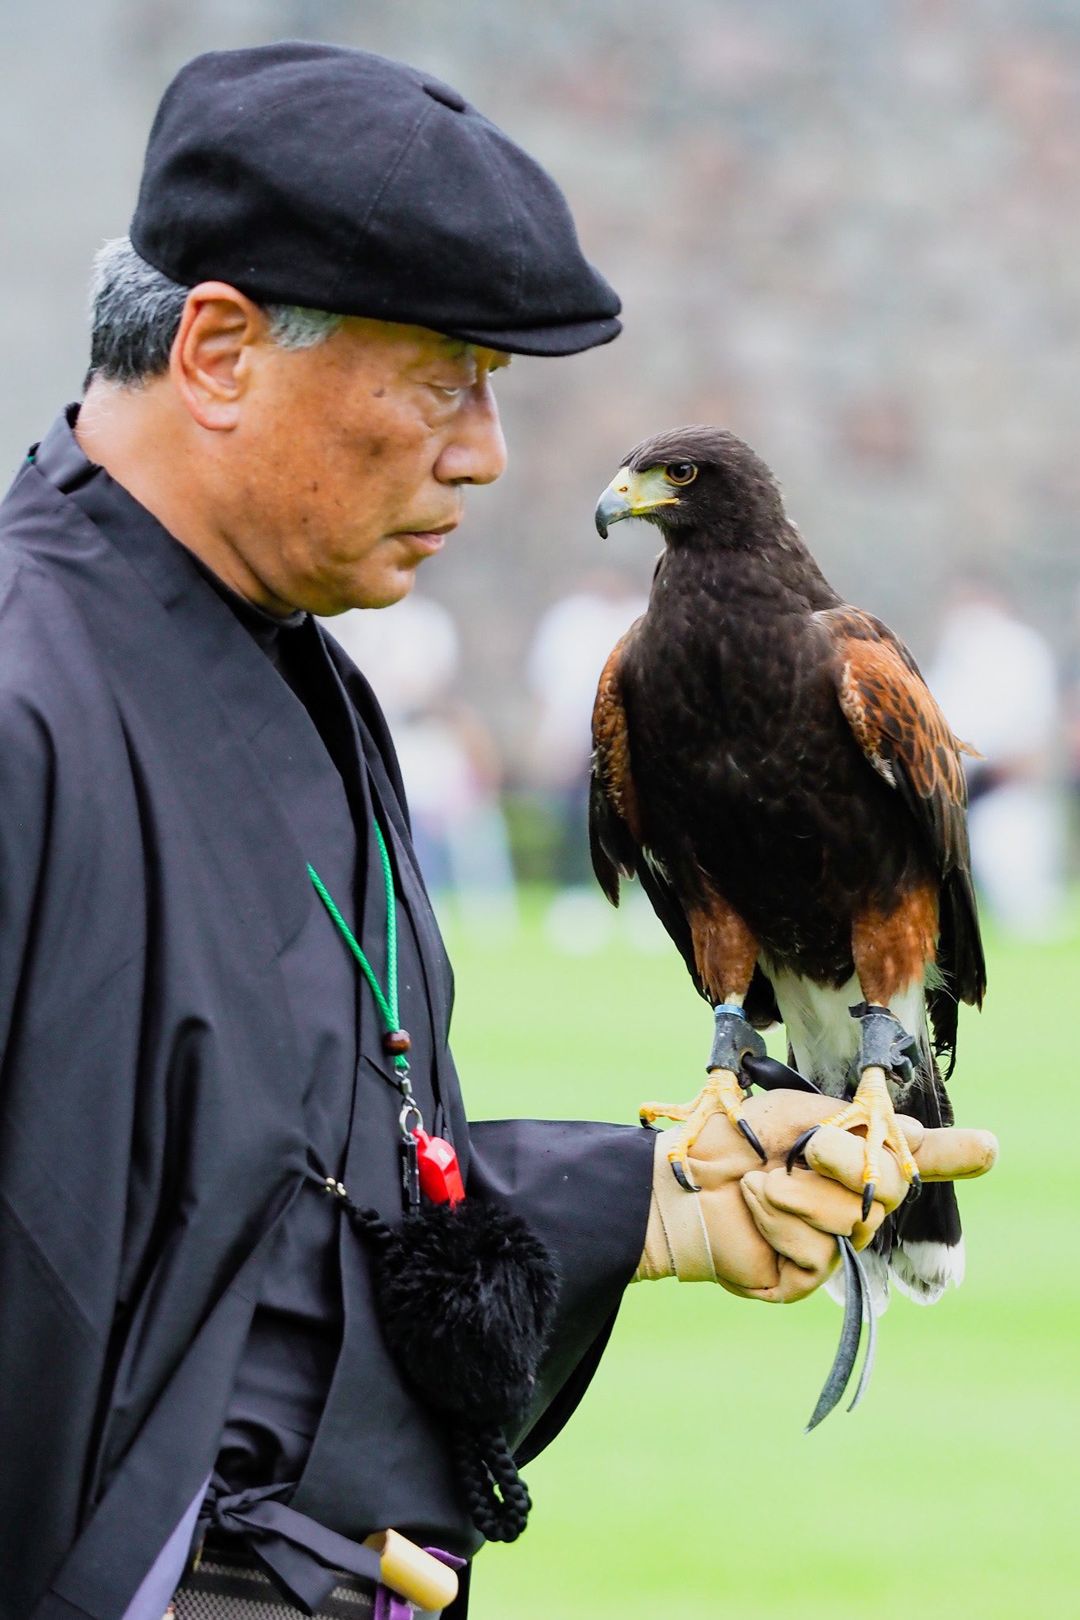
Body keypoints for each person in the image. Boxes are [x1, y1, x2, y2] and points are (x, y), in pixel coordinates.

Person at [0, 42, 996, 1620]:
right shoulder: (25, 712)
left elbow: (293, 1228)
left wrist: (650, 1201)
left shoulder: (305, 681)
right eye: (444, 378)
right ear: (217, 350)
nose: (485, 451)